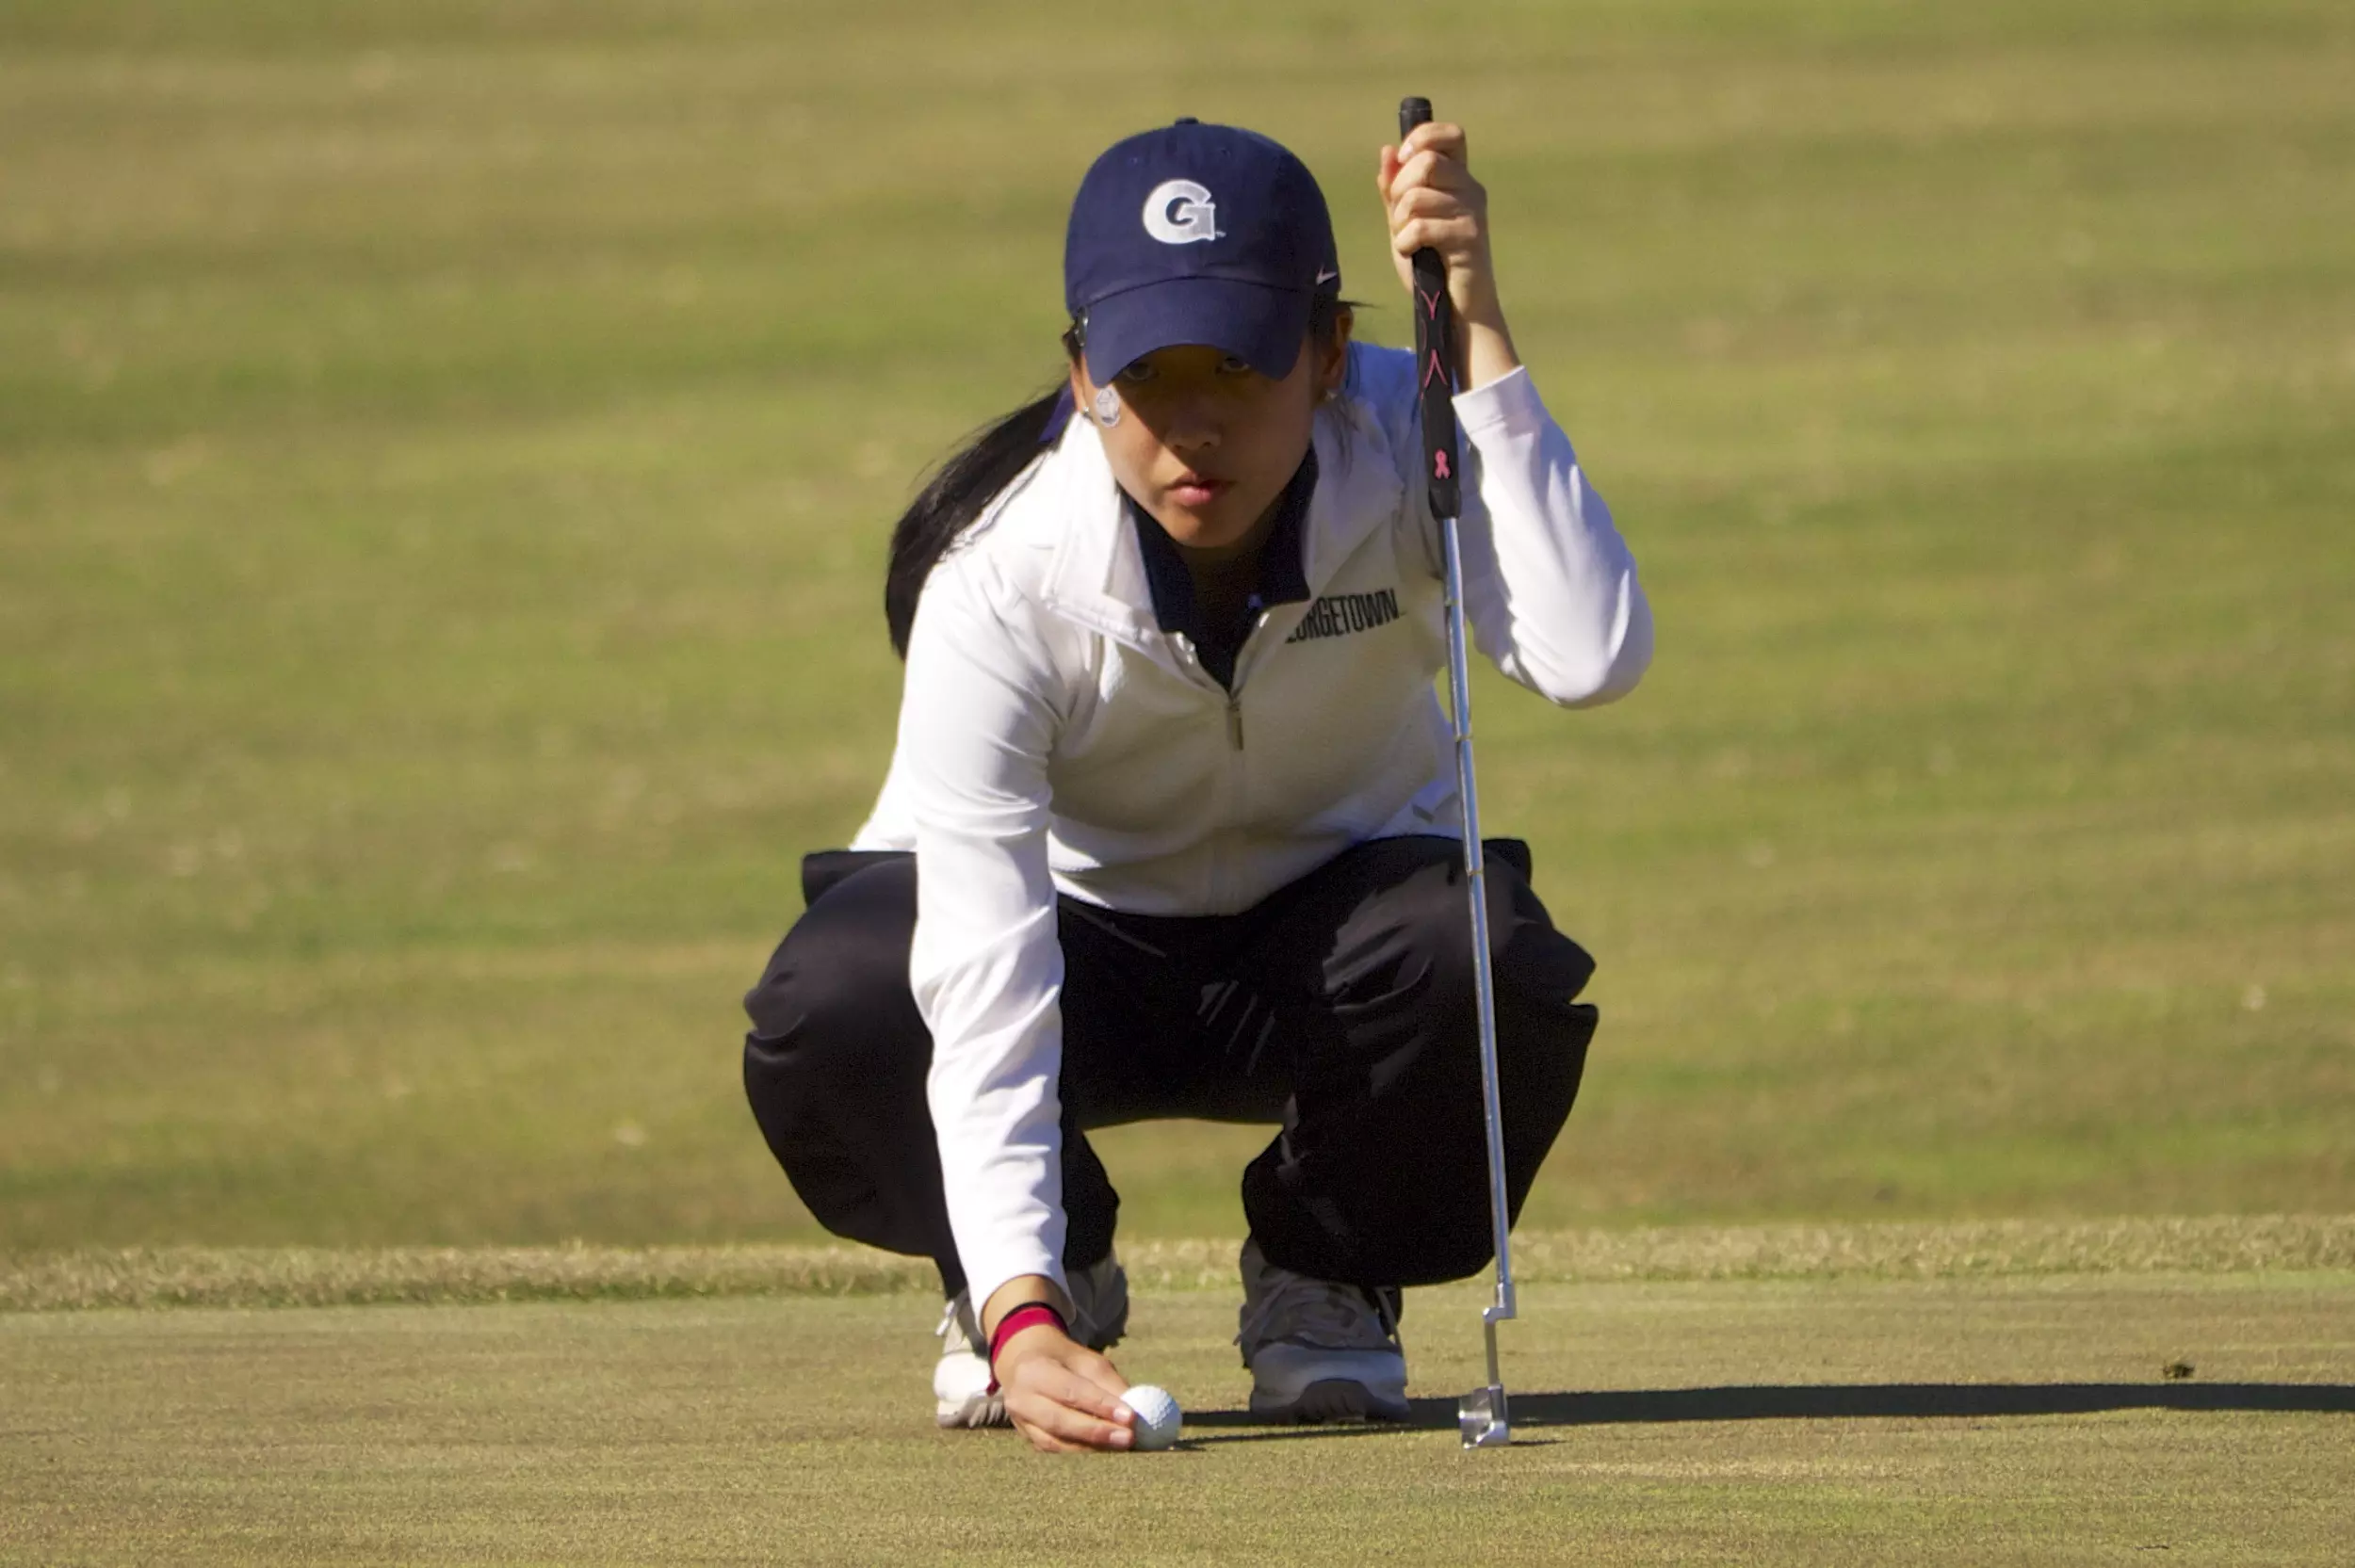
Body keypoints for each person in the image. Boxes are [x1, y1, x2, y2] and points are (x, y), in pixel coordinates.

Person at [741, 116, 1651, 1454]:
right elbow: (982, 966)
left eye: (1242, 364)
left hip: (1337, 963)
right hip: (1076, 953)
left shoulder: (1412, 432)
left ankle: (1325, 1273)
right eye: (1149, 376)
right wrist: (1021, 1298)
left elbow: (1589, 655)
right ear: (1083, 374)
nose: (1197, 427)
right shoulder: (997, 574)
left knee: (1481, 953)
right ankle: (1066, 1268)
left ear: (1331, 352)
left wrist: (1478, 326)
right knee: (845, 992)